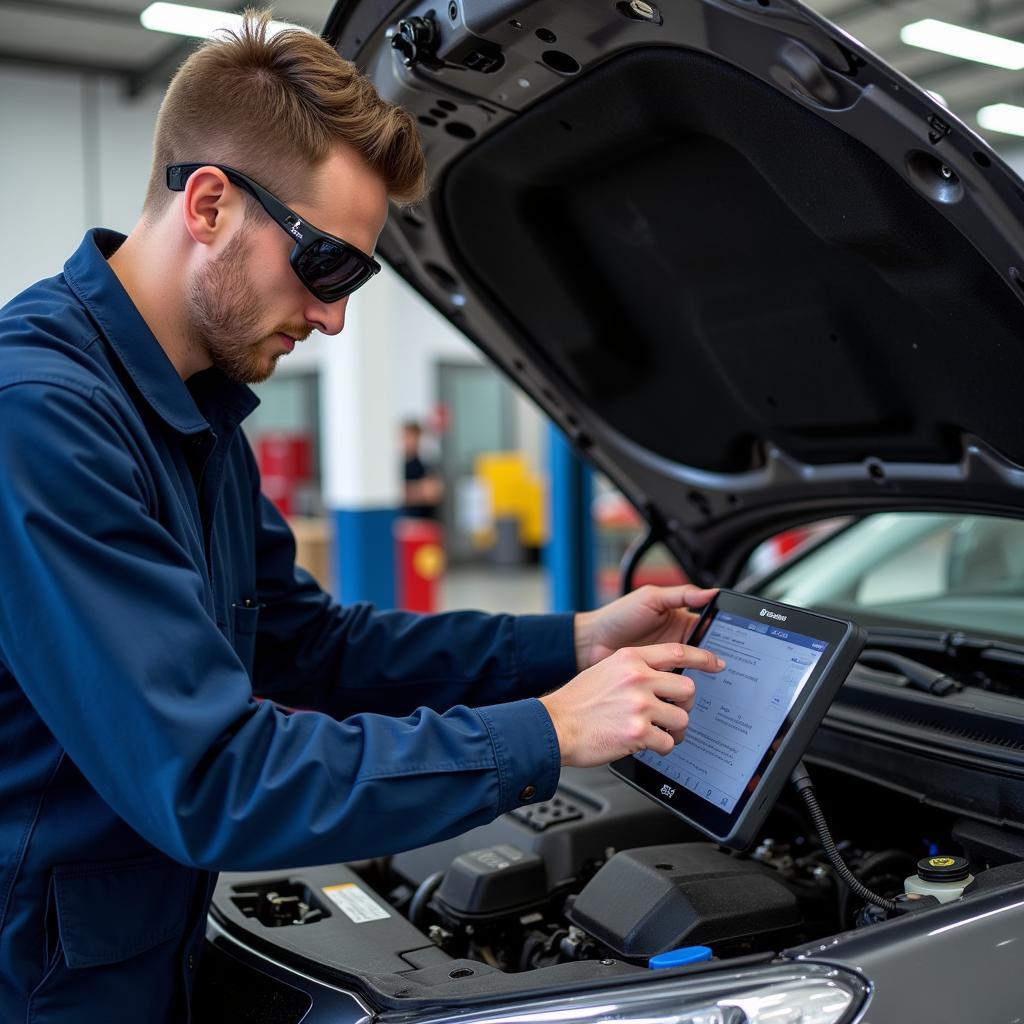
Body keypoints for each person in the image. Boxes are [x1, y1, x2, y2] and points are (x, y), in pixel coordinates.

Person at [0, 14, 724, 1023]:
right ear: (208, 203)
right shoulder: (40, 418)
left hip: (129, 945)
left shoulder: (191, 407)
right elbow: (211, 777)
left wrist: (569, 642)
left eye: (357, 279)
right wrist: (545, 731)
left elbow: (307, 643)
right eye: (326, 266)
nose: (336, 317)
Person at [401, 418, 444, 518]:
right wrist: (419, 490)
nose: (409, 441)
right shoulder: (396, 467)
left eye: (412, 437)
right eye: (406, 437)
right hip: (403, 522)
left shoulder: (425, 464)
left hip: (423, 521)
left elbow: (432, 493)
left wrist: (408, 491)